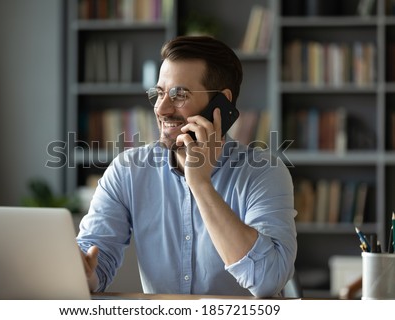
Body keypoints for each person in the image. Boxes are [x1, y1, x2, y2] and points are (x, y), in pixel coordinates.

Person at [77, 35, 297, 297]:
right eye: (159, 93)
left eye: (179, 94)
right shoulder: (127, 171)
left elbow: (267, 280)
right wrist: (84, 273)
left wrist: (200, 184)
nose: (161, 108)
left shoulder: (264, 172)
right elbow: (95, 263)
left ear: (221, 103)